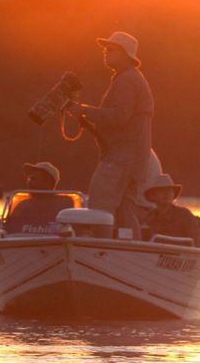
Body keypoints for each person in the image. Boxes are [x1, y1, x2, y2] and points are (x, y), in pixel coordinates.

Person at [66, 31, 154, 240]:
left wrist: (84, 110)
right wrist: (86, 117)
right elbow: (121, 122)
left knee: (100, 206)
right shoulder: (131, 79)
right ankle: (131, 255)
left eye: (111, 49)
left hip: (120, 158)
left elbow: (119, 118)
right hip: (132, 158)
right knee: (125, 210)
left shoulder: (127, 80)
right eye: (105, 49)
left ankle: (101, 253)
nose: (105, 53)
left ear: (125, 54)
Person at [7, 162, 74, 234]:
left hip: (55, 243)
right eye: (29, 179)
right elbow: (9, 228)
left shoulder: (65, 204)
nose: (29, 182)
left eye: (34, 179)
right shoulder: (22, 205)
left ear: (48, 182)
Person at [142, 174, 200, 244]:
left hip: (181, 254)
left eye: (169, 190)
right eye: (161, 190)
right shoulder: (149, 218)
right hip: (156, 254)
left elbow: (196, 243)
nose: (166, 193)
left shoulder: (184, 215)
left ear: (173, 194)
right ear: (153, 195)